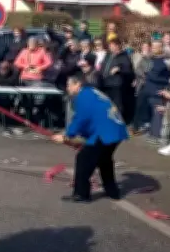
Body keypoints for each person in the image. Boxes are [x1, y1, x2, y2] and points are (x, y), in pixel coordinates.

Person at [51, 74, 127, 203]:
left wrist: (66, 136)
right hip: (115, 130)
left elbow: (81, 119)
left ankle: (81, 194)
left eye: (69, 85)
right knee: (104, 160)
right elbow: (91, 118)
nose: (67, 88)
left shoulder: (83, 96)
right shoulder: (92, 92)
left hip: (105, 132)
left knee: (83, 159)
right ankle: (112, 191)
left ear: (78, 84)